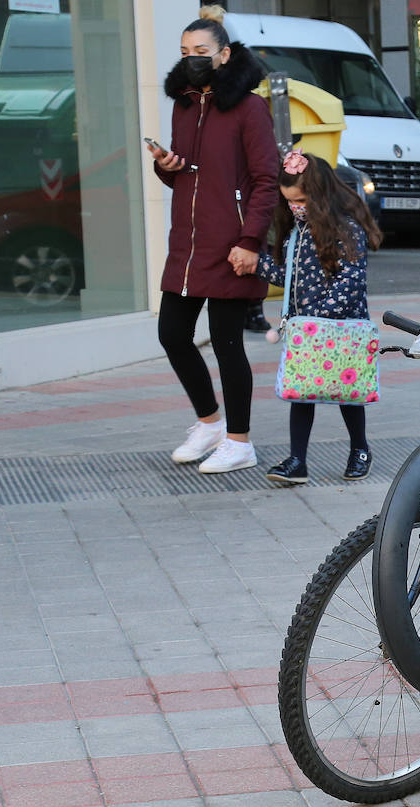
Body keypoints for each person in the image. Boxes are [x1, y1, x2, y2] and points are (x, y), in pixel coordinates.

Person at [148, 5, 277, 474]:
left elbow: (267, 179)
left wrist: (250, 241)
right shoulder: (184, 104)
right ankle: (209, 423)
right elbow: (187, 176)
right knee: (172, 333)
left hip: (232, 244)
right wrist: (167, 167)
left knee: (226, 343)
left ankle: (240, 442)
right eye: (184, 52)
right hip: (187, 242)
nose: (192, 58)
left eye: (201, 51)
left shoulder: (250, 107)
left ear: (224, 54)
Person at [230, 150, 383, 484]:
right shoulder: (296, 232)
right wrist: (258, 265)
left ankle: (360, 448)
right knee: (301, 392)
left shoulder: (347, 229)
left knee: (348, 392)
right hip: (307, 331)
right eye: (289, 202)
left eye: (299, 200)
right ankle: (297, 460)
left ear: (319, 194)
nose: (294, 207)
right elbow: (290, 276)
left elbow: (351, 279)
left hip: (338, 329)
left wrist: (319, 320)